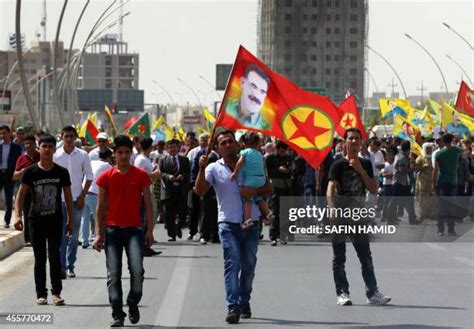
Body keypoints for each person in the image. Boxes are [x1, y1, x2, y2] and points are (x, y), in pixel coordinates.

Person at [195, 130, 270, 323]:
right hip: (227, 223)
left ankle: (245, 300)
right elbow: (200, 190)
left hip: (251, 223)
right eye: (223, 143)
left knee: (249, 265)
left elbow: (268, 188)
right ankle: (233, 306)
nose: (228, 145)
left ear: (237, 144)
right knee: (232, 263)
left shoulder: (252, 160)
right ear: (218, 148)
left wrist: (251, 190)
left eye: (230, 141)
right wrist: (201, 169)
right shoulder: (213, 167)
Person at [94, 135, 154, 327]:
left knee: (137, 271)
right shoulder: (105, 177)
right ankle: (117, 313)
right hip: (112, 231)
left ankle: (133, 301)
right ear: (114, 154)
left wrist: (150, 231)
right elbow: (101, 206)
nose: (123, 156)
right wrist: (98, 233)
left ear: (131, 153)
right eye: (120, 152)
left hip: (135, 231)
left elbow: (148, 205)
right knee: (114, 274)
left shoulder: (141, 175)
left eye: (127, 152)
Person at [327, 128, 391, 306]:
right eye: (350, 139)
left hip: (359, 216)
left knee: (365, 256)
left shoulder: (366, 163)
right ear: (345, 142)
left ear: (361, 142)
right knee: (339, 258)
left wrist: (361, 170)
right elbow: (330, 188)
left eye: (357, 139)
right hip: (341, 216)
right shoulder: (337, 165)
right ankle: (342, 293)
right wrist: (332, 209)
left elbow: (373, 189)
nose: (354, 142)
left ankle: (372, 292)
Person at [14, 134, 73, 306]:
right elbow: (21, 194)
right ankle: (41, 294)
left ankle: (56, 293)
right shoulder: (30, 172)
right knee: (39, 259)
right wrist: (18, 216)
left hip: (55, 220)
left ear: (55, 149)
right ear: (39, 148)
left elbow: (68, 197)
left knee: (54, 256)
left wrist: (71, 220)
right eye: (44, 146)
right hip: (36, 220)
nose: (47, 150)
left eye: (50, 147)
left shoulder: (61, 172)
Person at [53, 126, 93, 279]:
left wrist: (83, 196)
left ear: (75, 137)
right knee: (61, 236)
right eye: (66, 136)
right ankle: (62, 266)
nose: (69, 139)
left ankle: (70, 265)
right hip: (59, 201)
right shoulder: (56, 155)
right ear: (61, 137)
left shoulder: (83, 155)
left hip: (76, 200)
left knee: (74, 236)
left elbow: (89, 176)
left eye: (71, 136)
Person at [230, 132, 274, 229]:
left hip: (251, 179)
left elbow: (240, 163)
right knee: (258, 198)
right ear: (258, 143)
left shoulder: (244, 152)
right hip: (261, 179)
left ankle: (248, 219)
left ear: (244, 143)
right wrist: (266, 178)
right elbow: (264, 167)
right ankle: (268, 213)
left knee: (247, 198)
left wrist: (234, 173)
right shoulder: (259, 154)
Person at [158, 139, 191, 241]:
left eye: (174, 147)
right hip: (168, 191)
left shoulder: (184, 160)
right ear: (167, 149)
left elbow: (189, 172)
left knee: (183, 213)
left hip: (181, 191)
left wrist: (183, 176)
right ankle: (172, 235)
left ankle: (179, 226)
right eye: (170, 147)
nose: (173, 149)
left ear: (178, 148)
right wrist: (168, 176)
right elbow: (160, 173)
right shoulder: (162, 160)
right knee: (169, 215)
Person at [80, 149, 113, 249]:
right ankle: (96, 240)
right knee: (99, 218)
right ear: (108, 157)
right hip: (94, 194)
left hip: (84, 192)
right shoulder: (107, 166)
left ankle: (84, 241)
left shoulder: (92, 162)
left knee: (84, 218)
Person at [432, 133, 463, 236]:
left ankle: (440, 229)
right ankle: (451, 229)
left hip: (442, 182)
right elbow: (465, 149)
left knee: (441, 206)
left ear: (443, 141)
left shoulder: (439, 153)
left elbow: (435, 170)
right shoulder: (456, 151)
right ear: (451, 140)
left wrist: (433, 184)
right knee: (451, 206)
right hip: (453, 182)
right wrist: (457, 138)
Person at [134, 137, 161, 256]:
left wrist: (154, 168)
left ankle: (146, 244)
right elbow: (139, 176)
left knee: (151, 217)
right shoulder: (140, 159)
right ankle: (143, 246)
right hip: (142, 193)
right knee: (145, 219)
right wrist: (154, 175)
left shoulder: (145, 159)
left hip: (148, 191)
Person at [225, 64, 271, 130]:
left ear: (265, 96)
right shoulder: (226, 106)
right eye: (253, 86)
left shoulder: (265, 127)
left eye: (262, 91)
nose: (256, 95)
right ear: (242, 82)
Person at [12, 135, 40, 242]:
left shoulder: (41, 157)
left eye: (30, 143)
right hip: (26, 191)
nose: (28, 146)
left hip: (40, 191)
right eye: (26, 144)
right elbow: (14, 176)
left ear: (35, 144)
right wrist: (23, 171)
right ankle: (29, 237)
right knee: (28, 214)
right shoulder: (21, 159)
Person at [265, 141, 294, 245]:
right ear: (275, 147)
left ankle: (282, 235)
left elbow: (296, 171)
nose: (282, 150)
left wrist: (292, 169)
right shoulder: (270, 158)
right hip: (275, 188)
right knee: (274, 212)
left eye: (284, 148)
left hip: (287, 187)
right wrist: (278, 170)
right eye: (279, 147)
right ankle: (273, 236)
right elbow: (268, 173)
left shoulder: (289, 158)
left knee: (285, 212)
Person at [0, 125, 23, 228]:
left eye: (5, 133)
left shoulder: (16, 148)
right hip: (0, 174)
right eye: (1, 133)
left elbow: (19, 162)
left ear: (9, 133)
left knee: (9, 199)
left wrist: (16, 173)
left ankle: (7, 221)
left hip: (10, 175)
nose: (3, 135)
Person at [415, 142, 436, 220]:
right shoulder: (421, 158)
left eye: (430, 148)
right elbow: (415, 168)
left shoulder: (434, 157)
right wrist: (423, 167)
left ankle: (432, 214)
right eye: (427, 148)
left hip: (432, 180)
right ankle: (422, 214)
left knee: (432, 196)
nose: (429, 150)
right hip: (422, 181)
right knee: (423, 198)